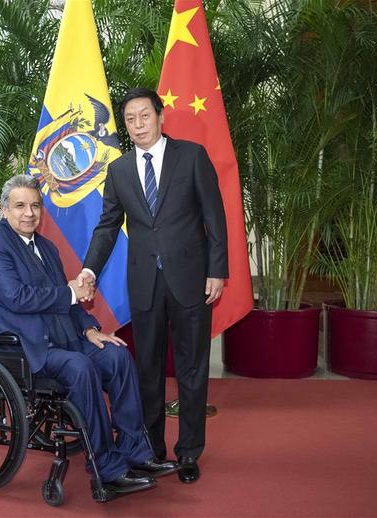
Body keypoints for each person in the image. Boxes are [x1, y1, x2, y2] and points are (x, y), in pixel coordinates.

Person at [0, 175, 178, 498]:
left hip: (65, 338)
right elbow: (17, 297)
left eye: (35, 206)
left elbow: (69, 301)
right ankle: (107, 471)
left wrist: (90, 328)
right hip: (22, 347)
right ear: (4, 210)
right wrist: (69, 292)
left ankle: (136, 452)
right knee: (80, 368)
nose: (28, 213)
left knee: (117, 355)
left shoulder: (47, 248)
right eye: (20, 206)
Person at [79, 88, 228, 484]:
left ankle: (189, 452)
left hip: (191, 280)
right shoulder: (121, 170)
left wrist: (218, 270)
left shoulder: (191, 156)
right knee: (147, 369)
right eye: (130, 119)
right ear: (125, 127)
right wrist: (89, 270)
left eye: (145, 116)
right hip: (144, 283)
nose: (139, 124)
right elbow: (107, 226)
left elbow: (215, 218)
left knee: (192, 368)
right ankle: (151, 449)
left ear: (160, 117)